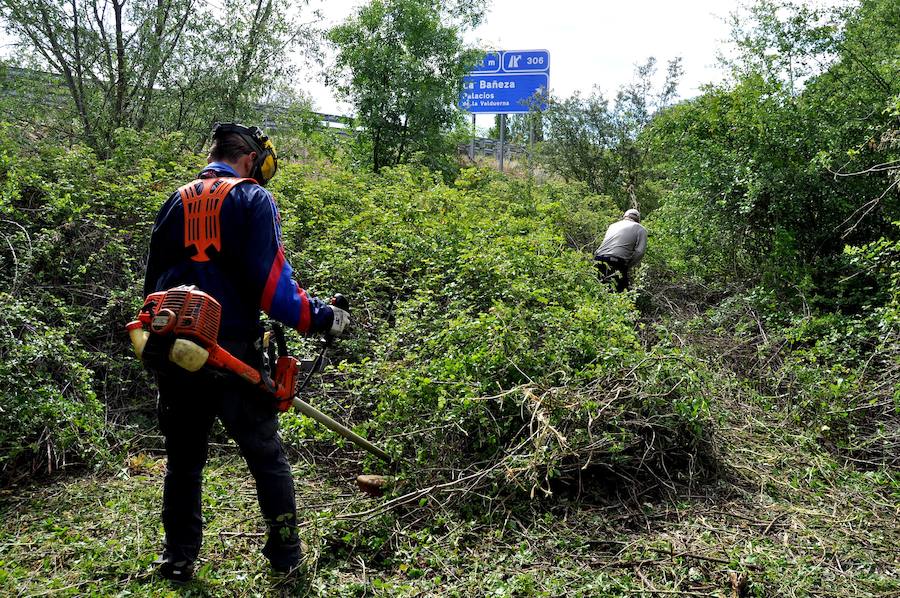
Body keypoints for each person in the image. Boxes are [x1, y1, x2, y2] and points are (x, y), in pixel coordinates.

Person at [143, 122, 349, 583]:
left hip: (176, 349)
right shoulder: (254, 198)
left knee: (183, 462)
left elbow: (151, 285)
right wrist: (322, 317)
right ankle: (285, 558)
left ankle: (176, 559)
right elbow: (274, 291)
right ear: (252, 159)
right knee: (265, 456)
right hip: (232, 352)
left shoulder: (176, 199)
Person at [594, 208, 647, 292]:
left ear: (625, 216)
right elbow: (640, 252)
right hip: (616, 262)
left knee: (599, 290)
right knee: (621, 293)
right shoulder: (640, 228)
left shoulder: (613, 225)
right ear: (638, 219)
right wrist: (628, 265)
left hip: (598, 259)